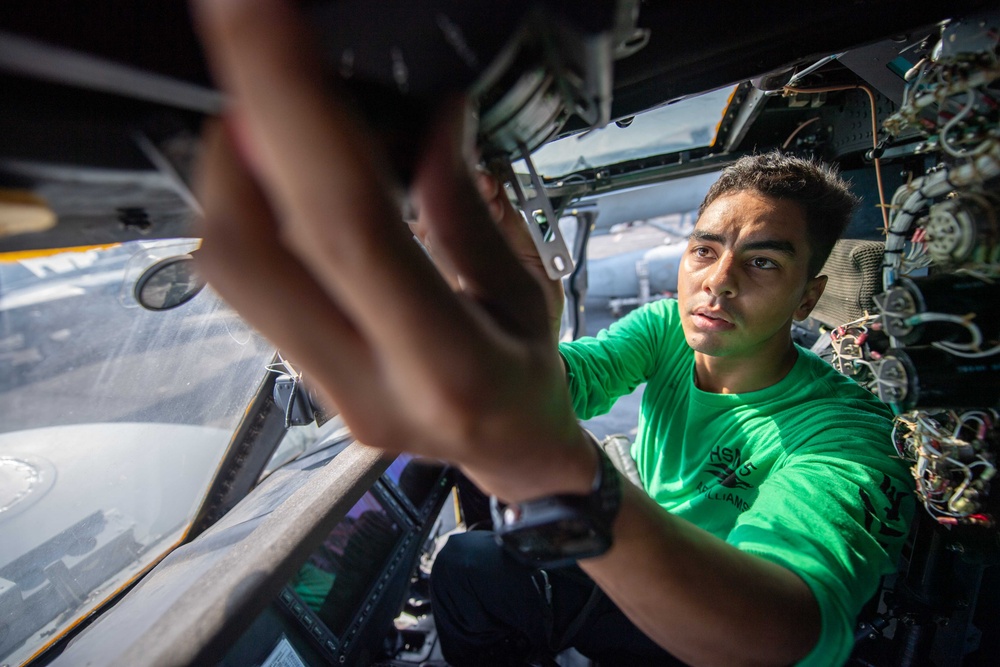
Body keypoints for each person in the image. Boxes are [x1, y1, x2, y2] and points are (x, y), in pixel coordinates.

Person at [189, 1, 913, 664]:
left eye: (762, 263)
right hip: (647, 542)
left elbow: (780, 634)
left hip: (704, 612)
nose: (718, 282)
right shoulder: (670, 328)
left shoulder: (845, 434)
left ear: (808, 296)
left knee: (469, 568)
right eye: (704, 250)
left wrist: (546, 468)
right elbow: (580, 378)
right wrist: (522, 361)